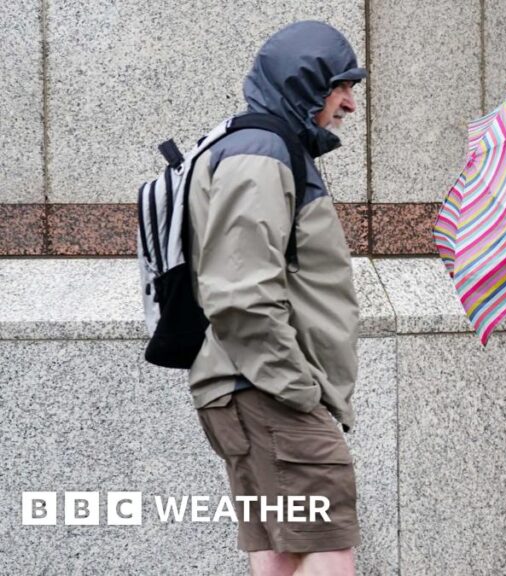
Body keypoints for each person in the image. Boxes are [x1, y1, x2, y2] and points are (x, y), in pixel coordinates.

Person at [187, 21, 365, 576]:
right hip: (268, 391)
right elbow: (241, 294)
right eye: (343, 86)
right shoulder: (262, 151)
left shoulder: (261, 147)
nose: (350, 104)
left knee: (283, 554)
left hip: (251, 388)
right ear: (308, 83)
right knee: (330, 548)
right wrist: (300, 389)